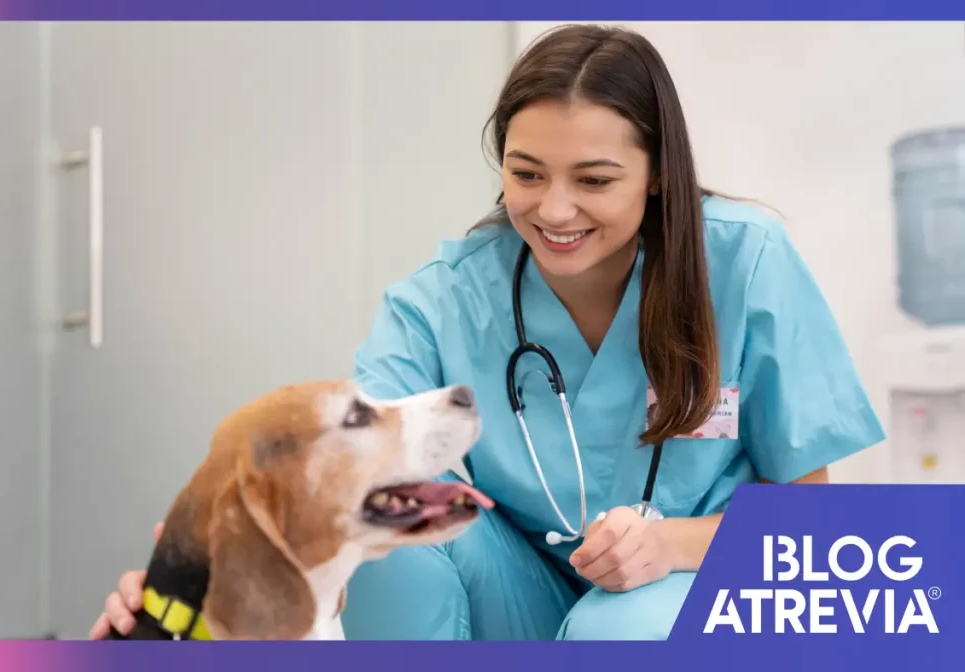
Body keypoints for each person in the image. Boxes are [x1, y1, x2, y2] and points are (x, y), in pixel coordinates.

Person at [89, 23, 885, 641]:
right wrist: (180, 595)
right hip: (523, 599)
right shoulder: (444, 299)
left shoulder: (745, 264)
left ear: (659, 175)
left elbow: (808, 530)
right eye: (526, 173)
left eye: (595, 180)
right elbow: (339, 486)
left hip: (694, 588)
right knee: (395, 554)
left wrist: (670, 546)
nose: (554, 210)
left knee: (622, 629)